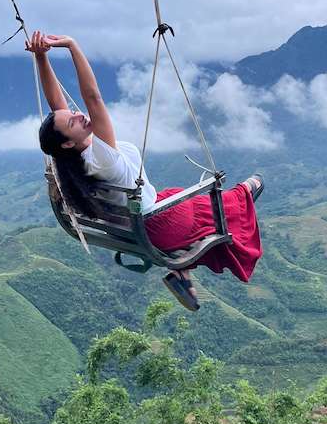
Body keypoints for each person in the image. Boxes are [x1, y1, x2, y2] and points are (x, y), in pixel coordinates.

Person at [28, 31, 263, 311]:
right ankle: (245, 192)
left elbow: (57, 105)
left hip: (137, 223)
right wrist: (72, 45)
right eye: (73, 122)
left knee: (174, 195)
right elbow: (94, 97)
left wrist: (42, 57)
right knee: (224, 199)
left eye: (74, 114)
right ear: (68, 142)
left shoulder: (74, 160)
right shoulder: (102, 157)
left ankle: (182, 273)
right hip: (159, 227)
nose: (78, 114)